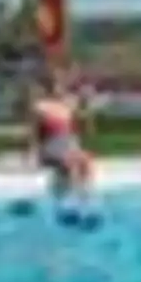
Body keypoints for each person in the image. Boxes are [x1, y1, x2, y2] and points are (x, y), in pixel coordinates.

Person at [26, 67, 97, 197]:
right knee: (70, 164)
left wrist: (86, 100)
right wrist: (33, 153)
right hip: (51, 148)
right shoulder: (40, 107)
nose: (59, 89)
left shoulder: (67, 104)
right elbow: (34, 133)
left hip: (69, 146)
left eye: (60, 85)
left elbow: (83, 113)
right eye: (56, 85)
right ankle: (65, 196)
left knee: (85, 160)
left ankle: (84, 197)